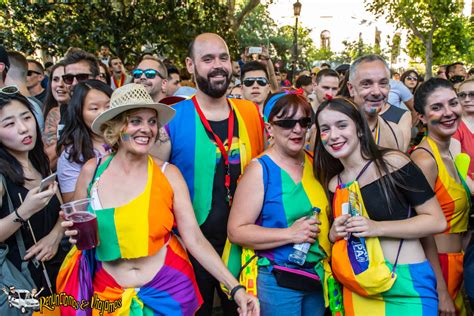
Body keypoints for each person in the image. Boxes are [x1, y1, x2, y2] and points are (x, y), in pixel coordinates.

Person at [58, 83, 259, 316]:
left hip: (168, 293)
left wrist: (236, 289)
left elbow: (194, 239)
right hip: (108, 296)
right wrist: (73, 233)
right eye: (135, 121)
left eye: (152, 121)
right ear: (115, 126)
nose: (147, 129)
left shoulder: (168, 174)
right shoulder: (92, 172)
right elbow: (82, 234)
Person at [152, 33, 264, 315]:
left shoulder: (250, 113)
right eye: (208, 58)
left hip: (244, 248)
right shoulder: (172, 118)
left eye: (223, 57)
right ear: (190, 65)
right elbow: (153, 185)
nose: (218, 65)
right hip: (190, 250)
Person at [314, 96, 446, 315]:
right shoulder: (333, 183)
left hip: (407, 286)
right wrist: (333, 234)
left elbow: (436, 220)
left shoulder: (392, 163)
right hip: (357, 288)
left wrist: (377, 227)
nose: (333, 135)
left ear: (358, 128)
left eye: (342, 125)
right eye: (325, 129)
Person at [228, 92, 330, 315]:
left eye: (304, 122)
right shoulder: (260, 170)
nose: (297, 130)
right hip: (277, 280)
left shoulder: (316, 163)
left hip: (316, 278)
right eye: (286, 123)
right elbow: (236, 232)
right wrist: (290, 234)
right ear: (269, 129)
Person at [411, 78, 473, 315]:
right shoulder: (425, 160)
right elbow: (423, 231)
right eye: (437, 107)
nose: (448, 112)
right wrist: (441, 291)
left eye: (452, 103)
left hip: (456, 264)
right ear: (422, 117)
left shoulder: (449, 153)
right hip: (438, 267)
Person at [0, 91, 67, 295]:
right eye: (9, 124)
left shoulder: (40, 162)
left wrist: (55, 236)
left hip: (60, 278)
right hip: (24, 287)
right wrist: (24, 211)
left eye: (27, 117)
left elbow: (63, 210)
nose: (23, 128)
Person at [56, 80, 112, 203]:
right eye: (94, 108)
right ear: (79, 112)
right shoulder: (73, 154)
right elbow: (72, 204)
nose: (103, 113)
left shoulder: (126, 140)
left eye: (108, 106)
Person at [347, 55, 407, 151]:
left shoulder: (394, 132)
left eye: (383, 83)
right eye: (366, 84)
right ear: (351, 89)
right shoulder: (332, 131)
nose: (376, 92)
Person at [42, 62, 70, 170]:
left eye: (66, 79)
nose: (60, 84)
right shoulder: (53, 113)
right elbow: (48, 162)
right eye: (55, 79)